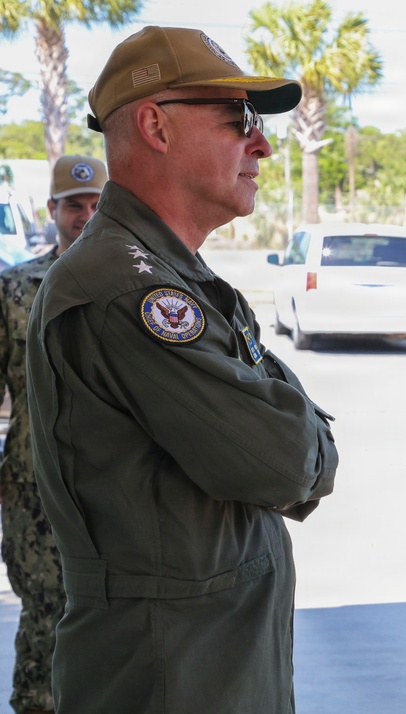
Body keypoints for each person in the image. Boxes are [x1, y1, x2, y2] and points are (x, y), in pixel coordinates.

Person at [25, 26, 338, 713]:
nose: (260, 144)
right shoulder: (126, 288)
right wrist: (305, 437)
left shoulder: (165, 275)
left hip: (203, 664)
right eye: (238, 120)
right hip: (169, 675)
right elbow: (286, 461)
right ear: (156, 126)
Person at [0, 154, 106, 714]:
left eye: (96, 205)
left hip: (116, 493)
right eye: (74, 205)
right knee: (44, 619)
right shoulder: (15, 290)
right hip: (33, 492)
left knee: (117, 630)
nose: (85, 216)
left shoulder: (133, 289)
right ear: (52, 210)